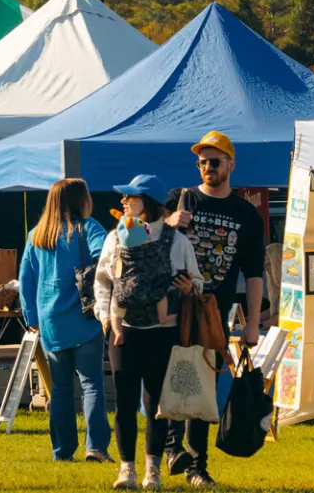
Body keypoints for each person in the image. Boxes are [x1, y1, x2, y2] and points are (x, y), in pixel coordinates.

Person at [163, 132, 267, 487]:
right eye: (203, 161)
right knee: (171, 377)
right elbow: (142, 241)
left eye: (216, 161)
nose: (209, 167)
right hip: (171, 307)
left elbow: (254, 274)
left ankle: (197, 466)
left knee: (203, 385)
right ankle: (172, 448)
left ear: (231, 165)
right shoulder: (180, 199)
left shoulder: (246, 215)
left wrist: (253, 323)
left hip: (213, 313)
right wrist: (168, 224)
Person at [95, 174, 202, 491]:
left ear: (151, 202)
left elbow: (197, 281)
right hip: (123, 331)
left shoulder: (176, 241)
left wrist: (190, 286)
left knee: (157, 404)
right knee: (125, 403)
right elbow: (102, 281)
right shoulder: (115, 237)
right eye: (124, 197)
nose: (124, 201)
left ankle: (152, 470)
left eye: (131, 197)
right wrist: (103, 315)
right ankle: (126, 469)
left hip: (163, 332)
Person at [20, 177, 112, 464]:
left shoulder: (36, 235)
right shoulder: (89, 228)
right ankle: (95, 447)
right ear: (80, 200)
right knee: (91, 385)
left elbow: (26, 280)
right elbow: (106, 255)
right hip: (85, 319)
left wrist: (31, 317)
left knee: (59, 390)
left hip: (50, 322)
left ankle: (62, 451)